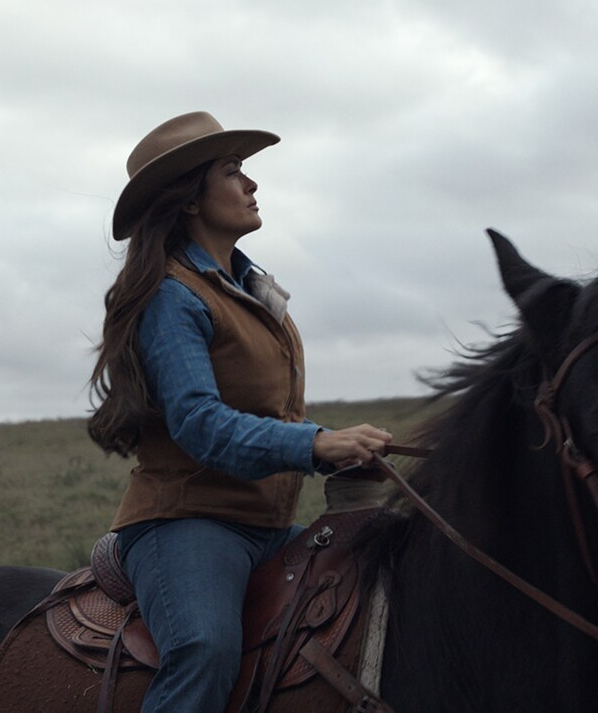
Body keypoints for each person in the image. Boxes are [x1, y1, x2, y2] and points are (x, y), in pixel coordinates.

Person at [87, 111, 392, 713]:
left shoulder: (251, 290)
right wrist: (316, 445)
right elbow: (200, 424)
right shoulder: (172, 297)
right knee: (204, 648)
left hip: (270, 525)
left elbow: (265, 413)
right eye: (232, 172)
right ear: (190, 200)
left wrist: (344, 454)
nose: (250, 185)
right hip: (188, 523)